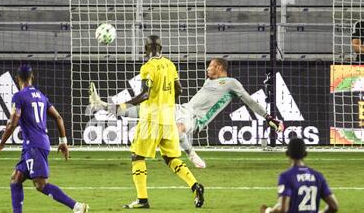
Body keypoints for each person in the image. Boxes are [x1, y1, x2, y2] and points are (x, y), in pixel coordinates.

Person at [89, 58, 283, 168]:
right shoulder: (209, 81)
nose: (208, 67)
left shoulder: (232, 83)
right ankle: (104, 107)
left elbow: (249, 101)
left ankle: (191, 153)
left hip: (195, 119)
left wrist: (268, 117)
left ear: (220, 68)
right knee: (146, 109)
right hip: (183, 108)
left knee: (177, 131)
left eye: (211, 65)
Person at [114, 35, 205, 209]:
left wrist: (123, 105)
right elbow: (179, 89)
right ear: (161, 48)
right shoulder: (170, 65)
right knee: (171, 158)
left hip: (151, 119)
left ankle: (142, 199)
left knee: (137, 156)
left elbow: (145, 94)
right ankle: (195, 186)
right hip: (168, 119)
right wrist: (168, 102)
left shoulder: (147, 67)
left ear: (145, 50)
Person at [0, 64, 89, 213]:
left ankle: (77, 207)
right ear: (32, 78)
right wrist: (63, 141)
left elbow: (13, 122)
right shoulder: (41, 96)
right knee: (16, 179)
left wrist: (2, 143)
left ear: (18, 79)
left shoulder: (19, 96)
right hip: (36, 144)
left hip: (34, 146)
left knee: (41, 185)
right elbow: (59, 118)